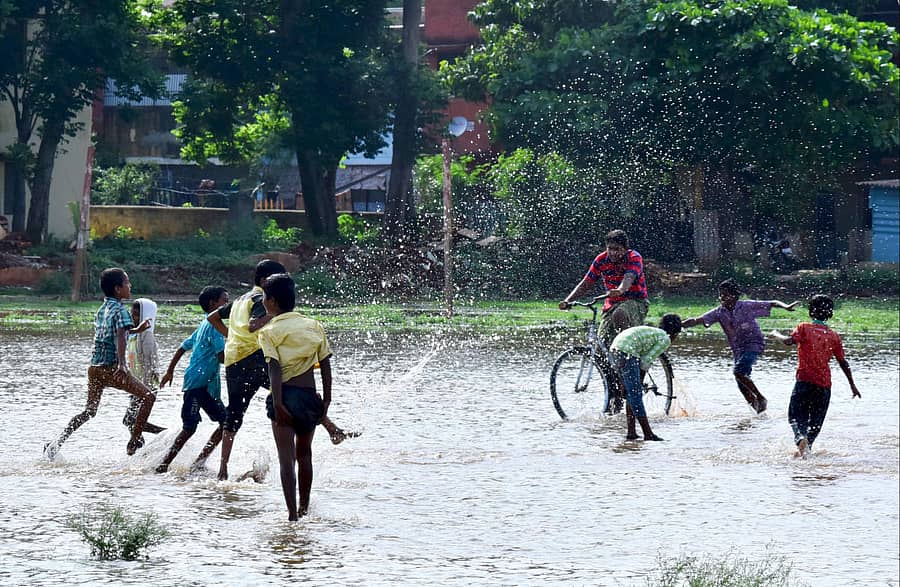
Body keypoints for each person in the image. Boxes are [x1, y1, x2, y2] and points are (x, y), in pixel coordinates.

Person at [194, 259, 353, 480]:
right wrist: (274, 314)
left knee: (234, 414)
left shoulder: (240, 299)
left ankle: (223, 470)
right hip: (255, 356)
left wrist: (231, 337)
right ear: (264, 281)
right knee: (293, 389)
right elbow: (253, 325)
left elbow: (213, 317)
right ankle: (331, 429)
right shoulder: (261, 298)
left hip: (233, 360)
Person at [44, 268, 157, 458]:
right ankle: (134, 442)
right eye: (127, 283)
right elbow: (120, 337)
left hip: (94, 368)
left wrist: (137, 330)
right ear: (118, 289)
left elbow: (116, 333)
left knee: (89, 411)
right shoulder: (121, 310)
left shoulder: (103, 309)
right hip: (110, 368)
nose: (130, 286)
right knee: (148, 397)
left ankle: (56, 443)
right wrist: (122, 364)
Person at [257, 273, 336, 519]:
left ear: (271, 301)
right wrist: (326, 400)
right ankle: (304, 508)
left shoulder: (269, 331)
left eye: (264, 298)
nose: (262, 302)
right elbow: (325, 364)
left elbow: (274, 368)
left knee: (286, 459)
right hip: (309, 396)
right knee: (305, 455)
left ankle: (292, 515)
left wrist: (278, 402)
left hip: (284, 395)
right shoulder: (314, 325)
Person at [681, 279, 800, 414]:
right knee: (742, 384)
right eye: (720, 295)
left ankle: (761, 398)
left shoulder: (746, 306)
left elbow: (772, 303)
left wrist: (786, 306)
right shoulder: (719, 312)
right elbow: (697, 320)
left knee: (738, 372)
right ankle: (759, 415)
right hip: (738, 350)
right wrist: (680, 324)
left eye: (725, 295)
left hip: (754, 344)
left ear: (734, 295)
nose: (722, 298)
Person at [770, 294, 861, 458]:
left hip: (804, 381)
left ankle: (800, 439)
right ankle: (807, 450)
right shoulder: (833, 336)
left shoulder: (804, 328)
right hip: (824, 385)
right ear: (830, 313)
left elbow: (789, 341)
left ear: (810, 311)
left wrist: (776, 334)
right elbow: (843, 362)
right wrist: (852, 385)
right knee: (816, 422)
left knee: (795, 415)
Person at [155, 286, 230, 474]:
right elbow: (222, 357)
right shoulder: (214, 327)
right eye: (224, 301)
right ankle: (165, 465)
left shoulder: (205, 323)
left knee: (224, 423)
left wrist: (170, 371)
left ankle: (195, 463)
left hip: (201, 383)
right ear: (213, 303)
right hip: (199, 384)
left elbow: (182, 347)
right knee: (191, 427)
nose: (227, 304)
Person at [560, 229, 649, 345]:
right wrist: (567, 301)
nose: (612, 253)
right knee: (601, 347)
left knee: (619, 314)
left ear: (625, 249)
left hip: (636, 302)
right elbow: (586, 283)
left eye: (617, 249)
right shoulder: (601, 260)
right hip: (611, 305)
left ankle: (630, 349)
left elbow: (629, 277)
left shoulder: (634, 257)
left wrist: (620, 290)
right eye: (610, 248)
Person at [609, 314, 683, 441]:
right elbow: (646, 361)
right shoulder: (665, 338)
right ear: (675, 333)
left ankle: (631, 432)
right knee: (635, 394)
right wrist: (639, 380)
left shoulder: (654, 332)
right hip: (627, 350)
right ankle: (648, 434)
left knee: (630, 393)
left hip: (616, 347)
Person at [122, 298, 166, 441]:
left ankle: (166, 434)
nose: (132, 318)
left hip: (146, 385)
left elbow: (150, 363)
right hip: (136, 385)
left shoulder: (146, 335)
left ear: (145, 316)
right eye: (131, 314)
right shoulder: (134, 334)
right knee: (131, 421)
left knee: (130, 420)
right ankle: (140, 447)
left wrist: (146, 388)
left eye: (136, 315)